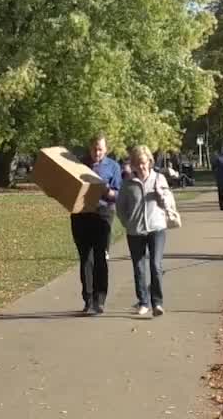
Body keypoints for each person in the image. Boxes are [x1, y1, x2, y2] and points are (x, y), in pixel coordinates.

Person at [117, 145, 171, 317]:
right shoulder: (128, 184)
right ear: (133, 164)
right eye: (138, 163)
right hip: (135, 231)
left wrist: (160, 196)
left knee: (155, 265)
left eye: (144, 162)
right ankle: (143, 302)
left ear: (150, 161)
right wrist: (128, 223)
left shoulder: (159, 179)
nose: (142, 166)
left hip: (157, 228)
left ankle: (157, 303)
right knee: (139, 268)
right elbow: (120, 208)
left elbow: (168, 204)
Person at [71, 135, 121, 315]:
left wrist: (106, 190)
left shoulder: (113, 167)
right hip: (81, 215)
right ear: (89, 148)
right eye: (94, 149)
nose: (97, 153)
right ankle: (88, 299)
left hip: (103, 215)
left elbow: (118, 193)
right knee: (86, 258)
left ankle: (100, 299)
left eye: (100, 149)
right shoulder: (78, 165)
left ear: (106, 149)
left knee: (101, 256)